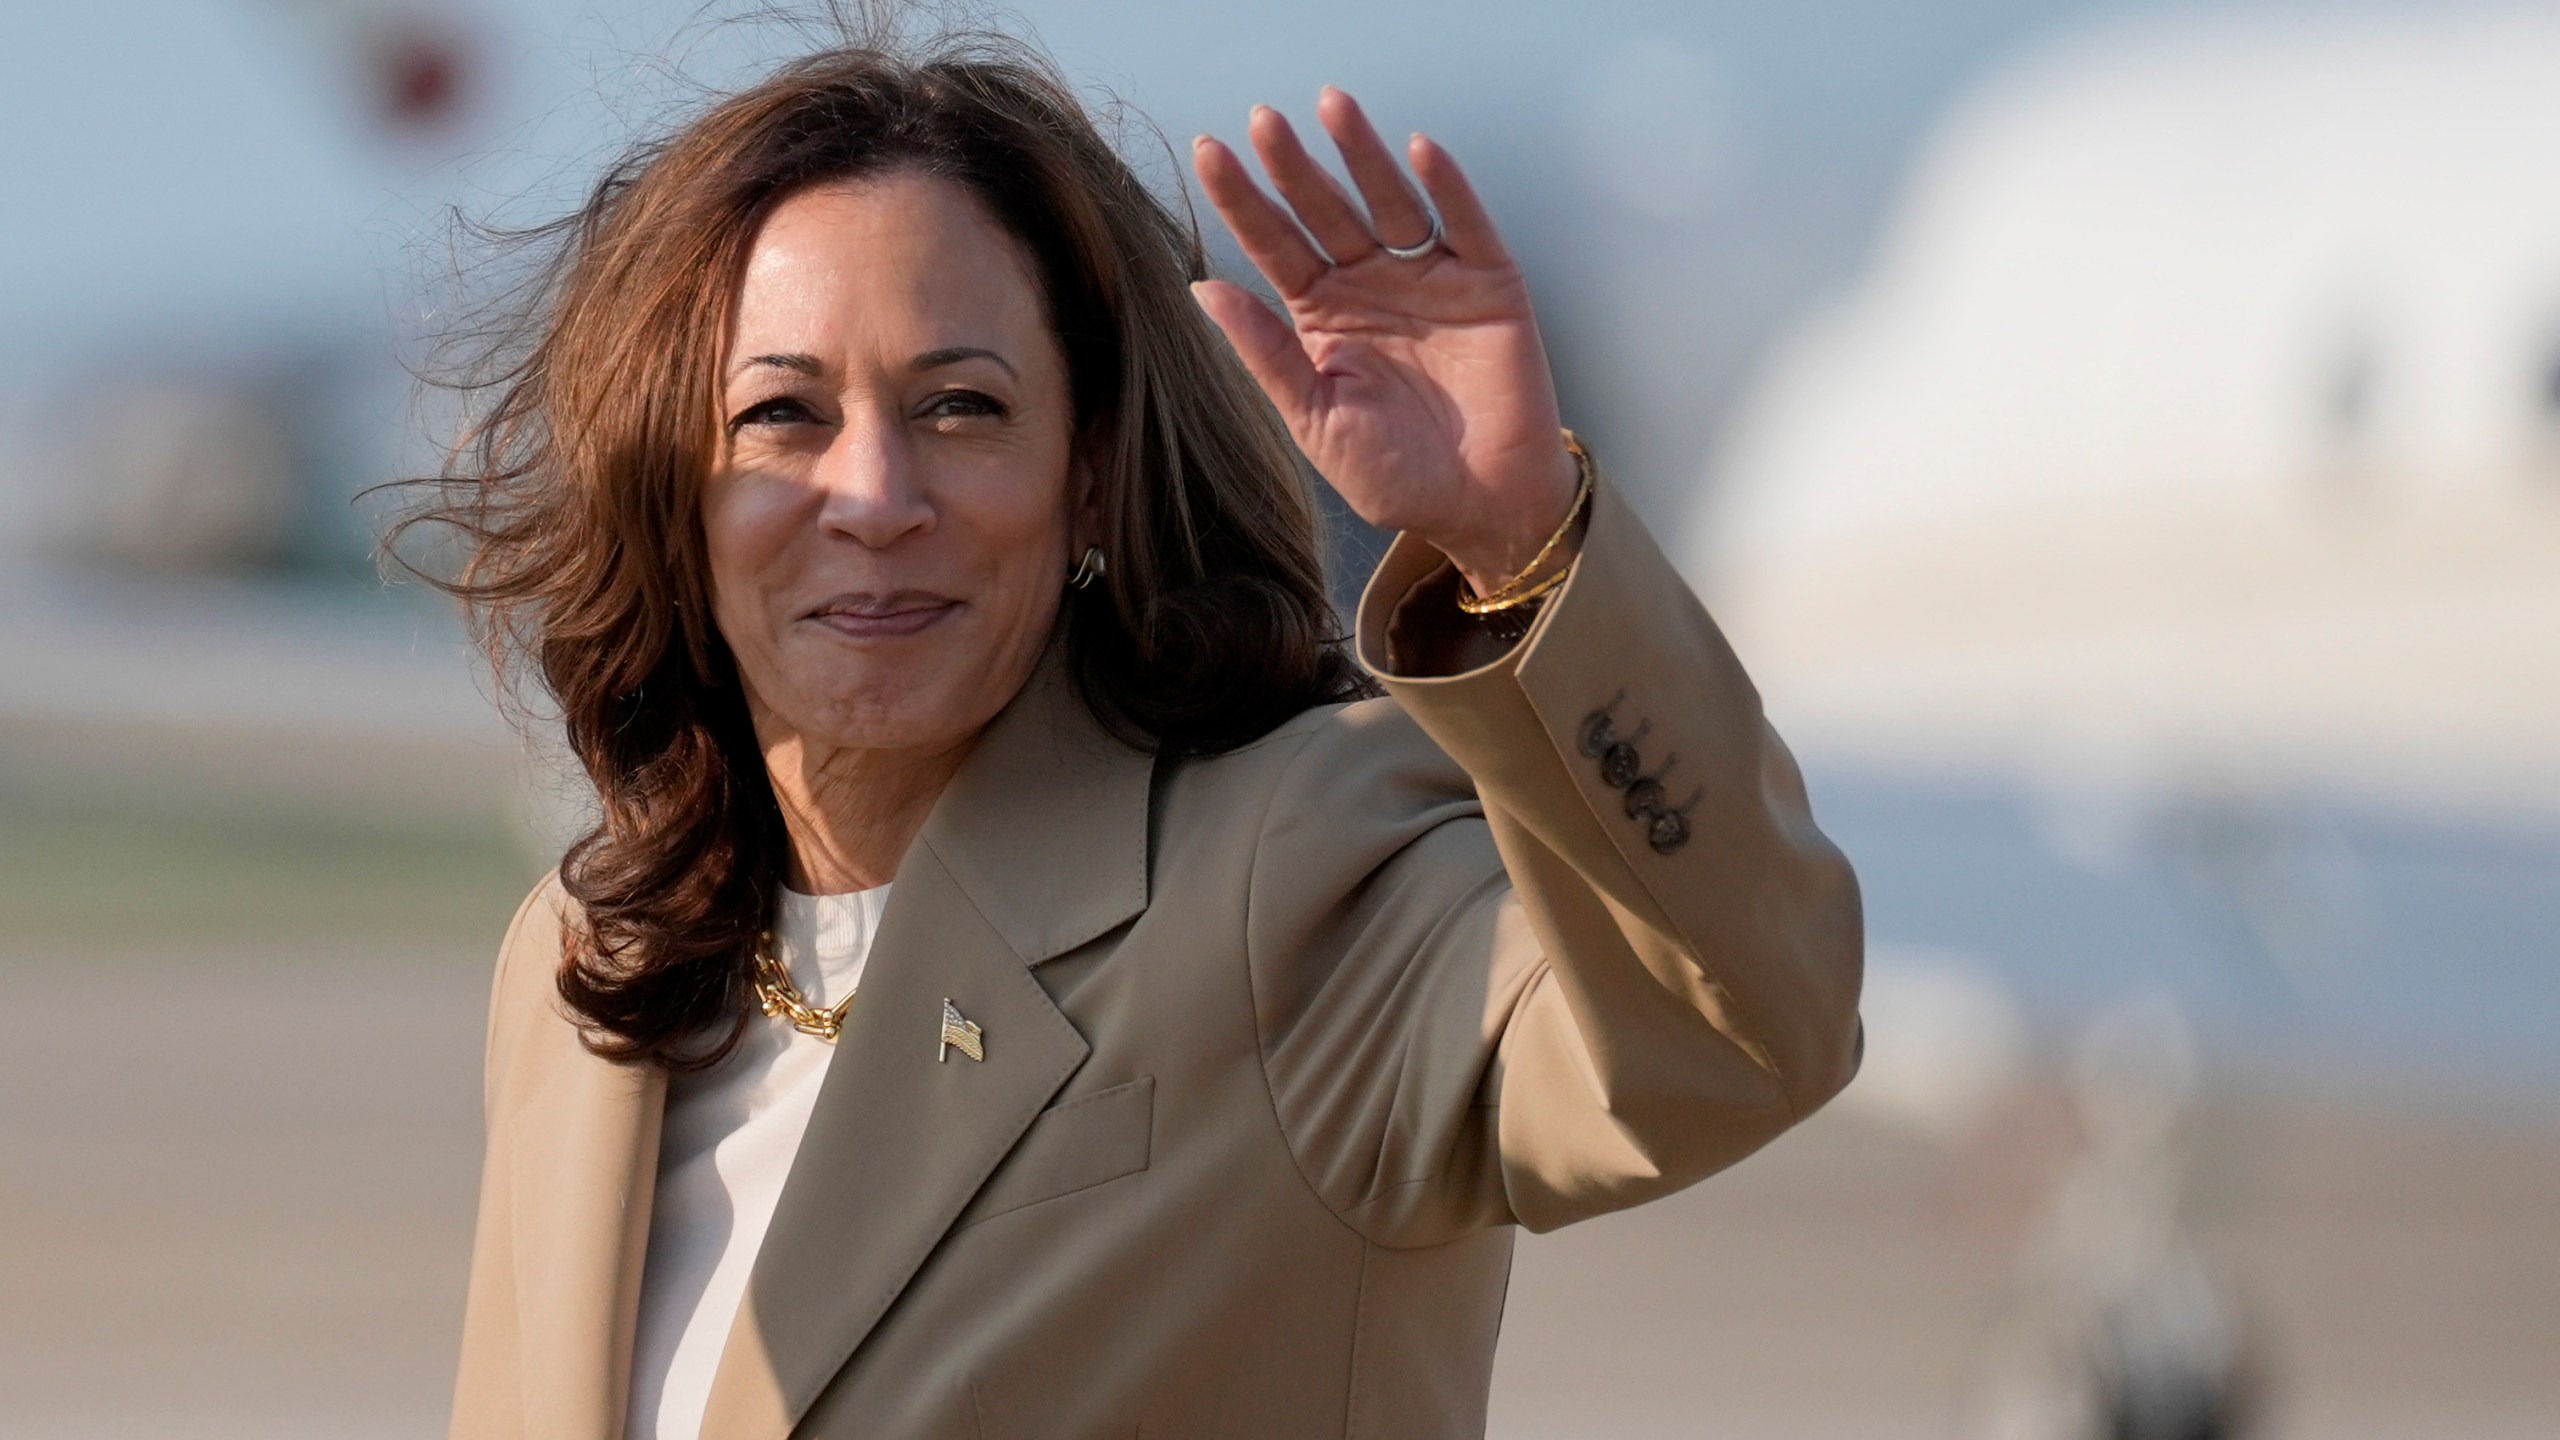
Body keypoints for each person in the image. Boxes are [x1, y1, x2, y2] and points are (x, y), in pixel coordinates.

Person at [412, 27, 1863, 1440]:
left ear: (1092, 475)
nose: (872, 495)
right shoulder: (580, 971)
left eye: (963, 407)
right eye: (781, 414)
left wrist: (1525, 539)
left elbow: (1739, 1038)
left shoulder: (1286, 870)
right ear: (674, 489)